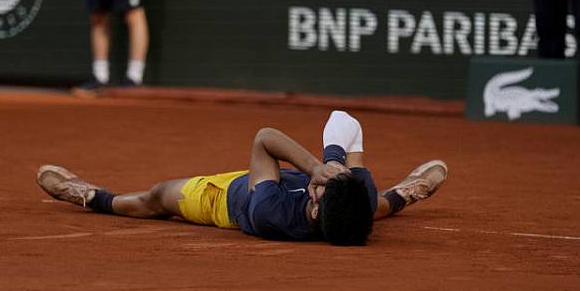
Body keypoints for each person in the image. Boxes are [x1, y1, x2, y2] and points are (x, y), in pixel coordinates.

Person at [37, 111, 448, 245]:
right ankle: (409, 192)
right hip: (322, 198)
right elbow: (345, 120)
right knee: (374, 209)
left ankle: (91, 196)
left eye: (321, 186)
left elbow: (264, 140)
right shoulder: (352, 198)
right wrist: (335, 160)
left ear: (314, 203)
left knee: (160, 197)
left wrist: (316, 167)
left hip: (235, 199)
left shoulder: (271, 212)